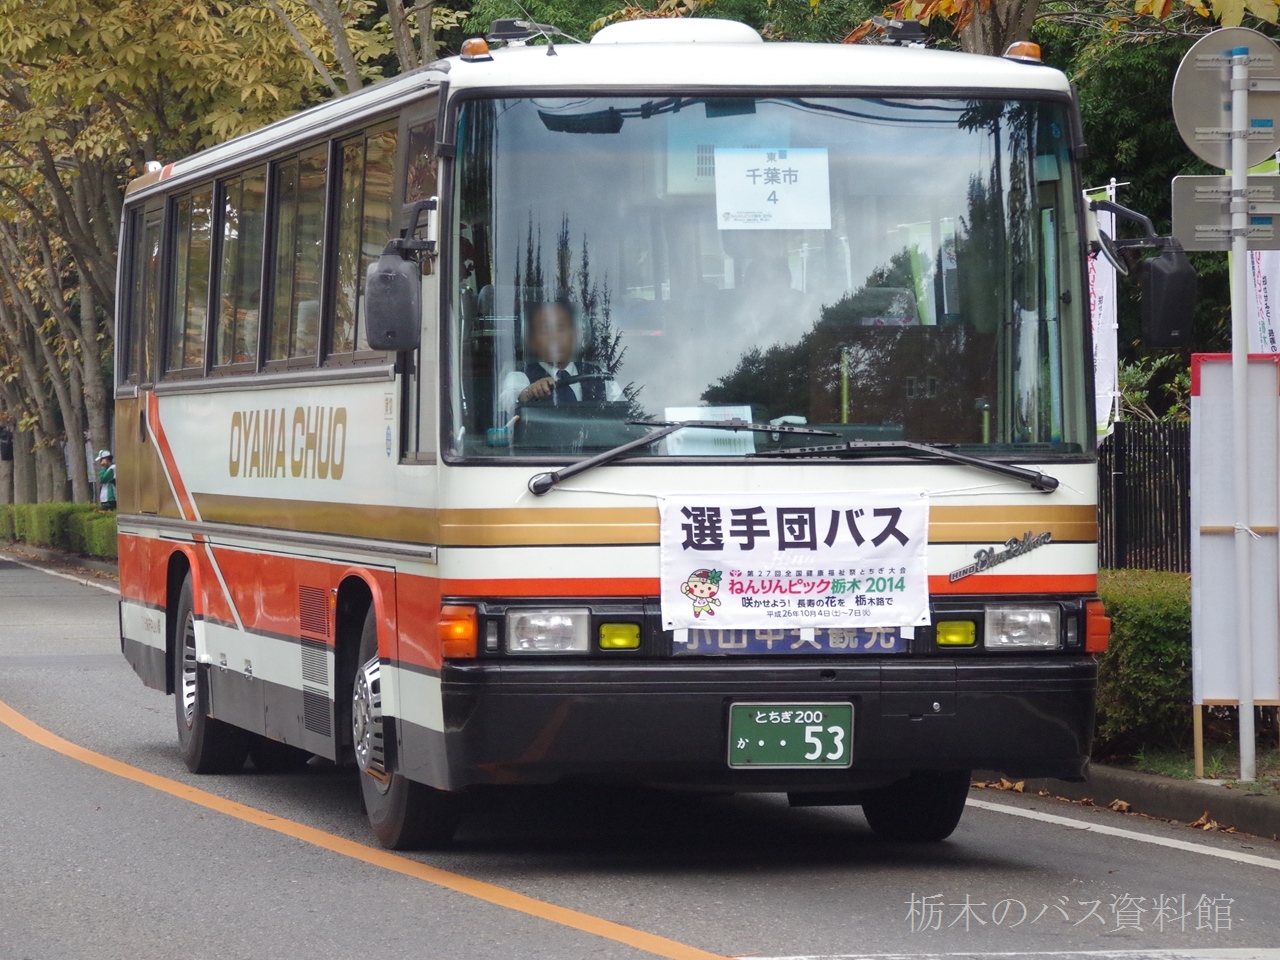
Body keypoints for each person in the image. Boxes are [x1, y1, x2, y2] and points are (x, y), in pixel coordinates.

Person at [497, 300, 625, 415]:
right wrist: (529, 393)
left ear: (575, 336)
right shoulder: (519, 377)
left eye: (561, 328)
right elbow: (508, 402)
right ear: (532, 340)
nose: (554, 337)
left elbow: (623, 413)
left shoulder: (599, 375)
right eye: (545, 329)